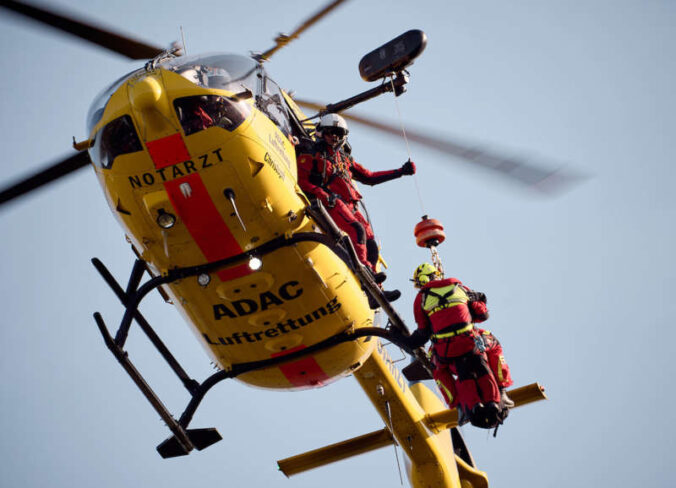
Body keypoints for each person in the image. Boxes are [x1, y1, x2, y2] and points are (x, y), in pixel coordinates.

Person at [296, 113, 415, 304]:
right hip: (333, 202)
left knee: (371, 244)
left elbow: (369, 177)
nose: (333, 137)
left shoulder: (345, 160)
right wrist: (325, 196)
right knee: (356, 231)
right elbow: (303, 181)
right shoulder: (312, 154)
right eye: (330, 133)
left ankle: (376, 289)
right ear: (321, 133)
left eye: (337, 133)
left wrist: (400, 172)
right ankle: (365, 272)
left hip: (351, 206)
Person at [404, 263, 514, 429]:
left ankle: (460, 406)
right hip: (472, 344)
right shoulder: (460, 287)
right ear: (437, 273)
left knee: (438, 370)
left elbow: (423, 334)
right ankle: (502, 391)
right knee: (494, 346)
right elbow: (482, 314)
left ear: (421, 282)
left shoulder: (421, 298)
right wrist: (479, 300)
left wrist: (407, 342)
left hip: (446, 353)